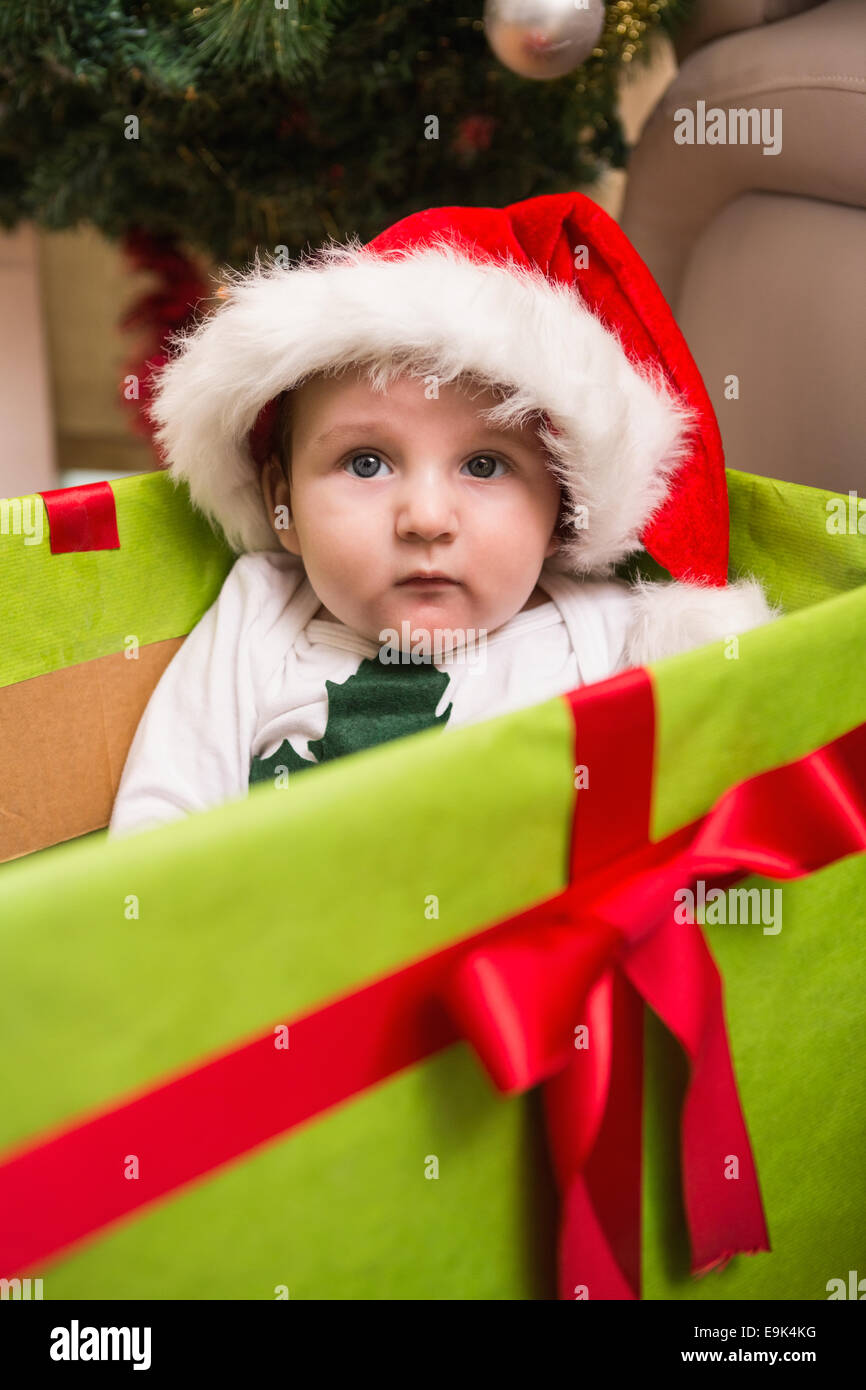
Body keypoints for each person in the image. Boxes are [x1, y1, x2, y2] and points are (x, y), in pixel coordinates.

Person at [108, 191, 778, 839]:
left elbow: (697, 801)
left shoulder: (608, 634)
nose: (426, 518)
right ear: (281, 501)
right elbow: (160, 816)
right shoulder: (259, 616)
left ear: (564, 507)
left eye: (485, 466)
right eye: (366, 463)